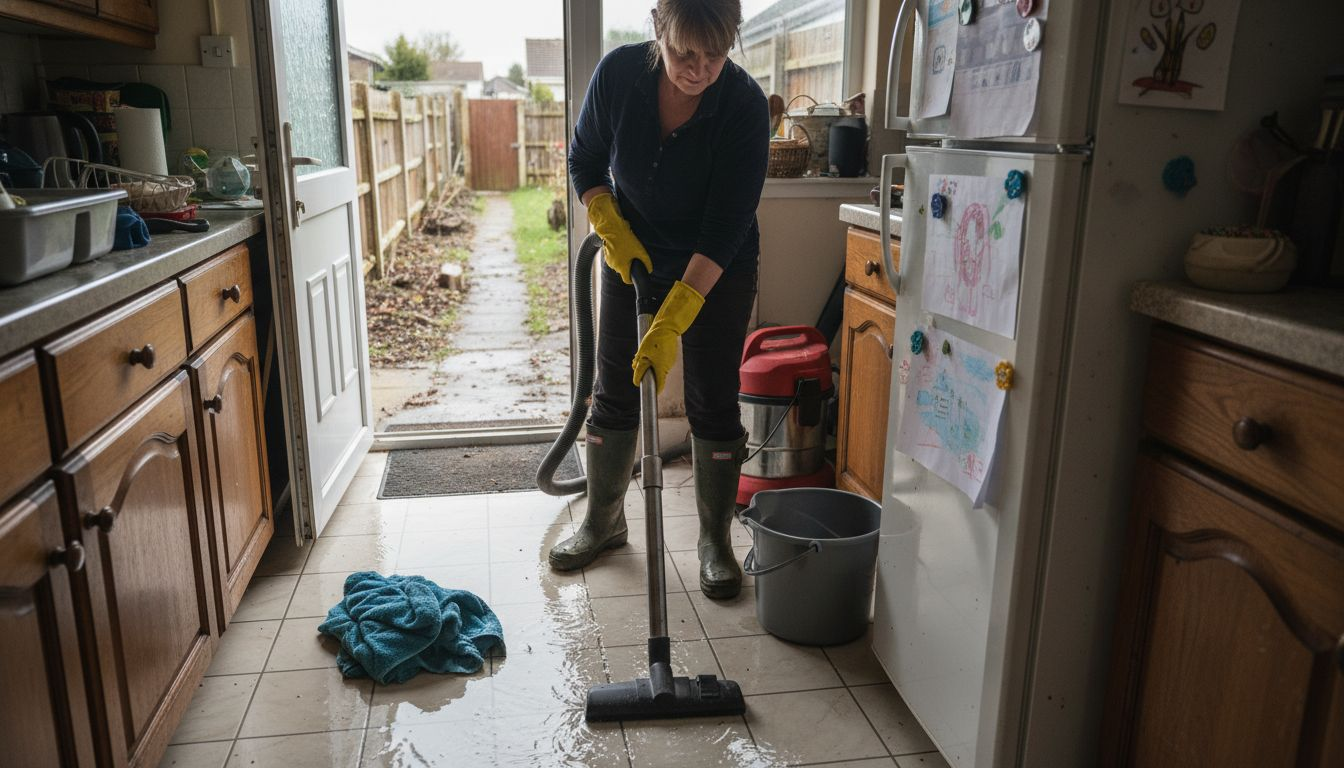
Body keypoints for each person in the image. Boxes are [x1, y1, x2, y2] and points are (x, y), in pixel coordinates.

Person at [549, 0, 768, 601]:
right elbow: (585, 158)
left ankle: (715, 541)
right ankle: (602, 520)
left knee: (713, 399)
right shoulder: (618, 76)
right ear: (657, 28)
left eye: (715, 55)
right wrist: (606, 221)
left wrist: (675, 317)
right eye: (682, 53)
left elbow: (726, 226)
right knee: (614, 386)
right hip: (634, 255)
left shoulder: (744, 107)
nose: (698, 69)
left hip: (715, 266)